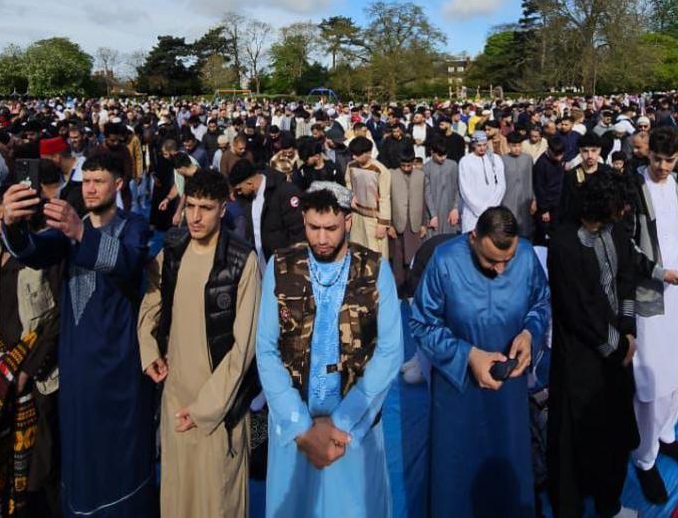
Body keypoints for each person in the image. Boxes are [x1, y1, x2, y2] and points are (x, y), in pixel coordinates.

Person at [0, 153, 157, 516]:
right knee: (80, 452)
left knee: (121, 453)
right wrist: (12, 225)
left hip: (119, 369)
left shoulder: (134, 225)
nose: (89, 189)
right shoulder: (69, 230)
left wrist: (80, 233)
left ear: (118, 185)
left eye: (98, 181)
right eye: (85, 181)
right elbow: (34, 253)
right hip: (76, 369)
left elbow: (129, 263)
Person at [255, 182, 402, 517]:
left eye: (331, 229)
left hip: (354, 433)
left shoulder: (375, 269)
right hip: (294, 430)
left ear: (348, 222)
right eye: (313, 228)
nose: (321, 239)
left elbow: (391, 352)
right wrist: (301, 427)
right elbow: (265, 349)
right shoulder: (281, 267)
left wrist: (342, 425)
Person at [408, 207, 551, 516]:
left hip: (509, 390)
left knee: (508, 462)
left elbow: (541, 302)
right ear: (473, 238)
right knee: (457, 470)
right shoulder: (445, 260)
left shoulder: (525, 256)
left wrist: (529, 332)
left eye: (506, 261)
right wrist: (468, 355)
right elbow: (422, 323)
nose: (500, 270)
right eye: (490, 261)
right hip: (458, 389)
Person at [137, 169, 262, 517]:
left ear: (223, 209)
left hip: (220, 409)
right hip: (176, 396)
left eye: (205, 207)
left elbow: (243, 348)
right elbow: (151, 305)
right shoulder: (173, 250)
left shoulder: (242, 261)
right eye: (190, 205)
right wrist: (149, 353)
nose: (195, 216)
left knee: (219, 500)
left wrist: (206, 409)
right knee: (178, 496)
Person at [546, 173, 644, 518]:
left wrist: (629, 332)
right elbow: (578, 309)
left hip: (618, 352)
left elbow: (627, 279)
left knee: (613, 435)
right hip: (580, 357)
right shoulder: (564, 243)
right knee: (574, 440)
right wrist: (617, 348)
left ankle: (610, 504)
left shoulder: (616, 231)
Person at [0, 190, 62, 517]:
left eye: (4, 218)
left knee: (40, 468)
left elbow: (57, 318)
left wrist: (26, 369)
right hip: (4, 369)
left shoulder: (45, 252)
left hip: (39, 376)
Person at [626, 126, 678, 503]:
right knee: (651, 377)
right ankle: (645, 457)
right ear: (647, 154)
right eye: (657, 159)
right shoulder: (632, 187)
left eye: (670, 160)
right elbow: (626, 244)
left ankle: (667, 434)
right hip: (649, 292)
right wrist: (657, 271)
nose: (663, 167)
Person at [229, 158, 306, 264]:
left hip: (284, 265)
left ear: (250, 183)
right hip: (262, 265)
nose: (239, 193)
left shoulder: (285, 192)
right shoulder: (248, 200)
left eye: (239, 189)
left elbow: (298, 232)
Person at [345, 136, 392, 257]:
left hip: (374, 219)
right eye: (353, 154)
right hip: (357, 216)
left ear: (368, 153)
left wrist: (383, 224)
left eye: (357, 154)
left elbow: (384, 198)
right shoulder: (351, 166)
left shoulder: (380, 170)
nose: (354, 157)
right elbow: (348, 184)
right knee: (357, 252)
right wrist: (350, 198)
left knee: (375, 255)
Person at [387, 148, 425, 290]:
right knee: (398, 257)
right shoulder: (392, 174)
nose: (406, 168)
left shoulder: (420, 175)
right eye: (403, 166)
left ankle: (412, 287)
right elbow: (387, 200)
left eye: (409, 165)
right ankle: (398, 288)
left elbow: (424, 200)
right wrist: (388, 224)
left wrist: (423, 224)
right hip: (397, 222)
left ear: (414, 162)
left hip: (414, 222)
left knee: (414, 256)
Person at [457, 132, 506, 233]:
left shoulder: (496, 159)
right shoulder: (465, 161)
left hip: (492, 209)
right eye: (479, 145)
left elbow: (501, 185)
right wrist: (479, 209)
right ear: (473, 145)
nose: (482, 148)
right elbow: (465, 189)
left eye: (484, 145)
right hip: (472, 212)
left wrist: (491, 208)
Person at [558, 133, 604, 226]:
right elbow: (565, 204)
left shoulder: (607, 172)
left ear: (599, 151)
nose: (590, 155)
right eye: (585, 151)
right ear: (580, 151)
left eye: (593, 151)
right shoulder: (571, 175)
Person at [500, 131, 535, 238]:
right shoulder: (502, 160)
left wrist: (534, 199)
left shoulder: (528, 159)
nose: (517, 148)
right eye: (514, 146)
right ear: (508, 145)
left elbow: (533, 179)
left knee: (526, 229)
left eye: (519, 145)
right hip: (507, 200)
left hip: (525, 200)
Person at [423, 139, 460, 238]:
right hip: (434, 211)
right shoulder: (426, 168)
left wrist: (455, 208)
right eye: (440, 155)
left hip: (450, 211)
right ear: (432, 153)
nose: (443, 158)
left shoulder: (453, 165)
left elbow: (457, 188)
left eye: (445, 155)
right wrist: (433, 215)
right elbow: (427, 193)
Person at [531, 136, 565, 245]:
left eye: (561, 155)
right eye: (556, 155)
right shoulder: (541, 164)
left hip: (557, 202)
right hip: (545, 206)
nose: (559, 158)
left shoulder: (558, 160)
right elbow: (539, 188)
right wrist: (544, 209)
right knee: (543, 234)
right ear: (549, 150)